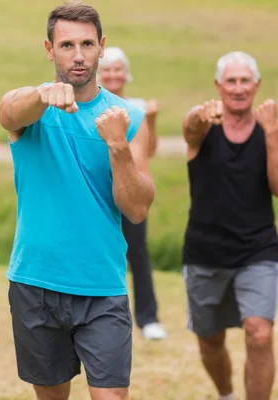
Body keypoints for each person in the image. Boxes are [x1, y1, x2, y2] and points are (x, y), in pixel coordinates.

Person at [0, 2, 154, 399]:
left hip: (101, 284)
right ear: (50, 50)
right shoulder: (32, 109)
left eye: (87, 44)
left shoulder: (128, 117)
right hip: (36, 281)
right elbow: (7, 112)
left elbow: (137, 207)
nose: (79, 55)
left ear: (102, 46)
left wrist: (117, 146)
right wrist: (42, 98)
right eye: (67, 45)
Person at [181, 51, 278, 400]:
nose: (238, 87)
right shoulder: (204, 126)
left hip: (257, 249)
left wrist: (273, 133)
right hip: (205, 250)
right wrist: (199, 115)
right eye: (231, 80)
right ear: (218, 85)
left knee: (259, 334)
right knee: (210, 342)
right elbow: (190, 128)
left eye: (245, 80)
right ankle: (227, 394)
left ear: (257, 85)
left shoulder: (270, 128)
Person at [97, 46, 166, 341]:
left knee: (137, 253)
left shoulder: (137, 108)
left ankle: (148, 318)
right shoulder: (91, 104)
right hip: (99, 192)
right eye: (108, 69)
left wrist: (151, 120)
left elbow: (149, 152)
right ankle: (103, 315)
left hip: (130, 190)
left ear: (126, 73)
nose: (113, 74)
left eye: (118, 69)